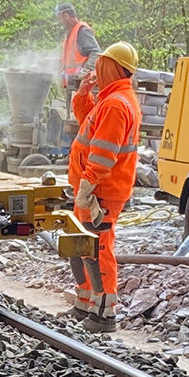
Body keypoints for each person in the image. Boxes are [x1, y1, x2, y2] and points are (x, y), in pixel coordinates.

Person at [67, 40, 140, 332]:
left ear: (110, 67)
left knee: (97, 247)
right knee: (80, 244)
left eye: (101, 64)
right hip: (93, 188)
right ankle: (86, 301)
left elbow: (103, 152)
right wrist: (83, 95)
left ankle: (104, 313)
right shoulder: (112, 99)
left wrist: (88, 184)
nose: (96, 68)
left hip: (100, 191)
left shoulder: (116, 104)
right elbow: (88, 123)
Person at [57, 3, 99, 114]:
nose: (59, 22)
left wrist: (85, 71)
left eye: (60, 18)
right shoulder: (70, 32)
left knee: (77, 118)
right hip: (72, 85)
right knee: (70, 117)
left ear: (66, 16)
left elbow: (96, 52)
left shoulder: (82, 31)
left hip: (80, 86)